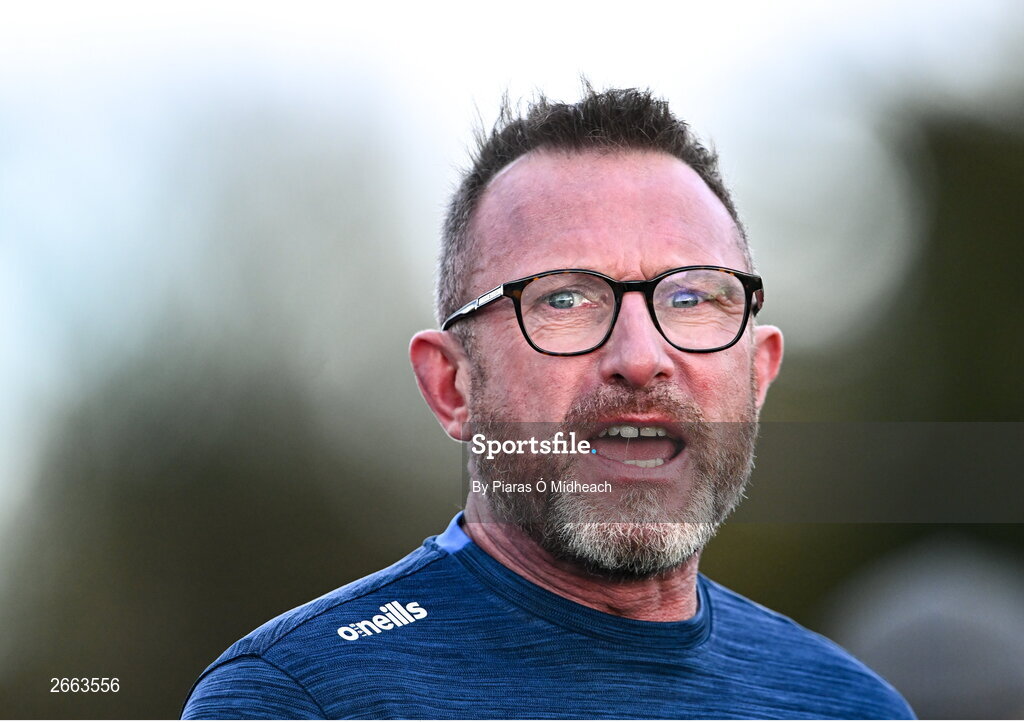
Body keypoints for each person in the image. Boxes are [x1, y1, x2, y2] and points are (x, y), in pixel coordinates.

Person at [181, 87, 914, 719]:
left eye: (692, 297)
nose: (640, 358)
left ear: (758, 373)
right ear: (452, 385)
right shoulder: (304, 698)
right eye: (564, 298)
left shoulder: (854, 708)